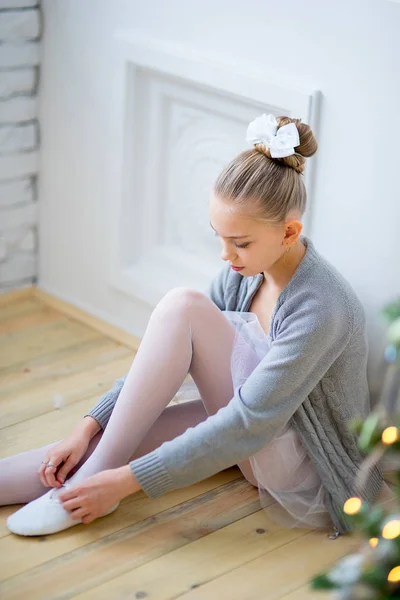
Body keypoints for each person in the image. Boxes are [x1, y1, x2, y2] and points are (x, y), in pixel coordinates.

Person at [2, 113, 386, 538]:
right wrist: (87, 424)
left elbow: (248, 423)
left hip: (305, 466)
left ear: (289, 232)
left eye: (239, 242)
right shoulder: (243, 271)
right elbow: (156, 369)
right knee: (98, 447)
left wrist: (126, 484)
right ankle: (87, 472)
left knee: (183, 305)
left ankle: (94, 477)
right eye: (219, 237)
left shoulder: (322, 306)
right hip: (248, 423)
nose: (226, 255)